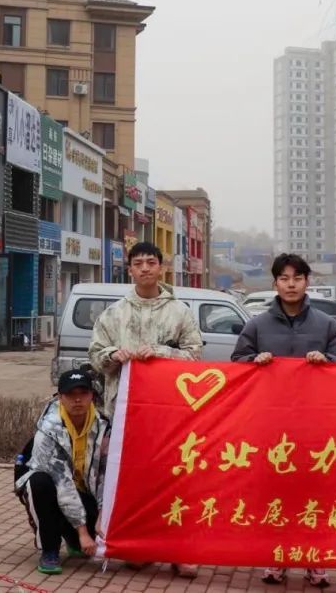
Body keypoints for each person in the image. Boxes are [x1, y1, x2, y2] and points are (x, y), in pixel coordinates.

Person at [232, 252, 336, 587]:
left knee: (314, 494)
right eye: (284, 278)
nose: (291, 284)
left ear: (307, 282)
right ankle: (277, 557)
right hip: (271, 426)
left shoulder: (327, 325)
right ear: (275, 283)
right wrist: (255, 360)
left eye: (297, 278)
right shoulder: (257, 325)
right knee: (276, 493)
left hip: (317, 426)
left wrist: (326, 360)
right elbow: (237, 363)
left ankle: (315, 559)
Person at [87, 240, 203, 579]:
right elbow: (95, 355)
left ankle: (179, 551)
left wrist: (162, 353)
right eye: (138, 263)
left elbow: (195, 355)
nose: (145, 268)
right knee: (132, 484)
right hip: (124, 416)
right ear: (130, 270)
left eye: (151, 262)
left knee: (175, 482)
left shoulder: (179, 312)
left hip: (170, 415)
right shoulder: (114, 314)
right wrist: (113, 355)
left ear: (161, 267)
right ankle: (139, 547)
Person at [15, 371, 110, 575]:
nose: (77, 399)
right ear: (60, 397)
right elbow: (62, 482)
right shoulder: (48, 429)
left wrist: (103, 515)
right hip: (50, 486)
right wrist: (83, 531)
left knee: (91, 536)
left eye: (83, 393)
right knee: (40, 483)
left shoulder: (104, 426)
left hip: (84, 490)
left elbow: (106, 475)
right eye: (71, 394)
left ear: (92, 395)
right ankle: (49, 549)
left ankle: (72, 537)